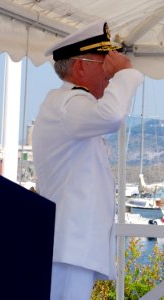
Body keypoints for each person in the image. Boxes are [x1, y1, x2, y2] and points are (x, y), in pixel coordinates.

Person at [32, 20, 143, 300]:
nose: (109, 69)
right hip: (70, 246)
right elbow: (111, 116)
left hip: (73, 246)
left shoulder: (70, 104)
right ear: (80, 67)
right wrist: (125, 74)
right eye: (103, 61)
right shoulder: (70, 103)